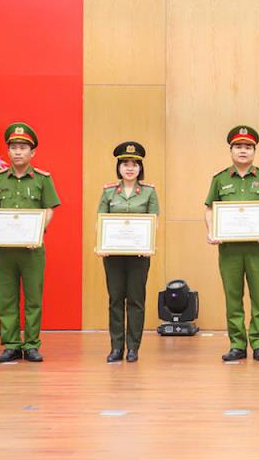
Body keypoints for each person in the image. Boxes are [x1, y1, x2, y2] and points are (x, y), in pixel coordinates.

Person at [0, 123, 61, 363]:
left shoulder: (42, 179)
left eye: (23, 148)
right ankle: (11, 345)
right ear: (8, 151)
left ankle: (32, 344)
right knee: (7, 298)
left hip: (32, 251)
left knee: (33, 298)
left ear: (32, 152)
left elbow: (49, 208)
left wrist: (37, 233)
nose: (18, 152)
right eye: (14, 147)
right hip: (5, 251)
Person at [205, 126, 259, 362]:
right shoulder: (219, 179)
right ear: (231, 150)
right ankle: (237, 344)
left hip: (258, 248)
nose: (243, 150)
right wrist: (212, 231)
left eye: (248, 147)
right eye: (238, 146)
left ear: (254, 151)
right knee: (233, 298)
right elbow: (210, 209)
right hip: (229, 250)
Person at [97, 142, 159, 363]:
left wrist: (148, 244)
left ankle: (133, 347)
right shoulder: (109, 192)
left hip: (139, 256)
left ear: (140, 167)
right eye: (125, 164)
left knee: (136, 300)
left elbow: (154, 221)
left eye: (134, 164)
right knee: (115, 300)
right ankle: (116, 347)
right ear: (119, 167)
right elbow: (100, 221)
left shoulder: (149, 192)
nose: (130, 168)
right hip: (113, 256)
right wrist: (101, 244)